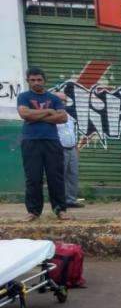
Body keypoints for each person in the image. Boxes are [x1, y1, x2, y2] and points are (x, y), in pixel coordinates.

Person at [16, 67, 69, 221]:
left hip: (52, 141)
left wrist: (35, 116)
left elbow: (63, 118)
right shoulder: (23, 96)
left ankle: (60, 210)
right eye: (32, 80)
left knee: (55, 177)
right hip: (30, 141)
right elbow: (24, 114)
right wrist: (49, 112)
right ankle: (33, 212)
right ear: (28, 81)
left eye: (39, 80)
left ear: (44, 81)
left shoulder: (53, 98)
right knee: (33, 177)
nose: (36, 83)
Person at [53, 92, 83, 209]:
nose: (63, 103)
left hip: (72, 149)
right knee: (60, 176)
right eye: (60, 100)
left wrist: (76, 148)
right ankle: (60, 201)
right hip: (60, 149)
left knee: (73, 175)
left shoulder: (69, 116)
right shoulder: (51, 116)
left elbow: (72, 132)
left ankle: (71, 200)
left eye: (64, 100)